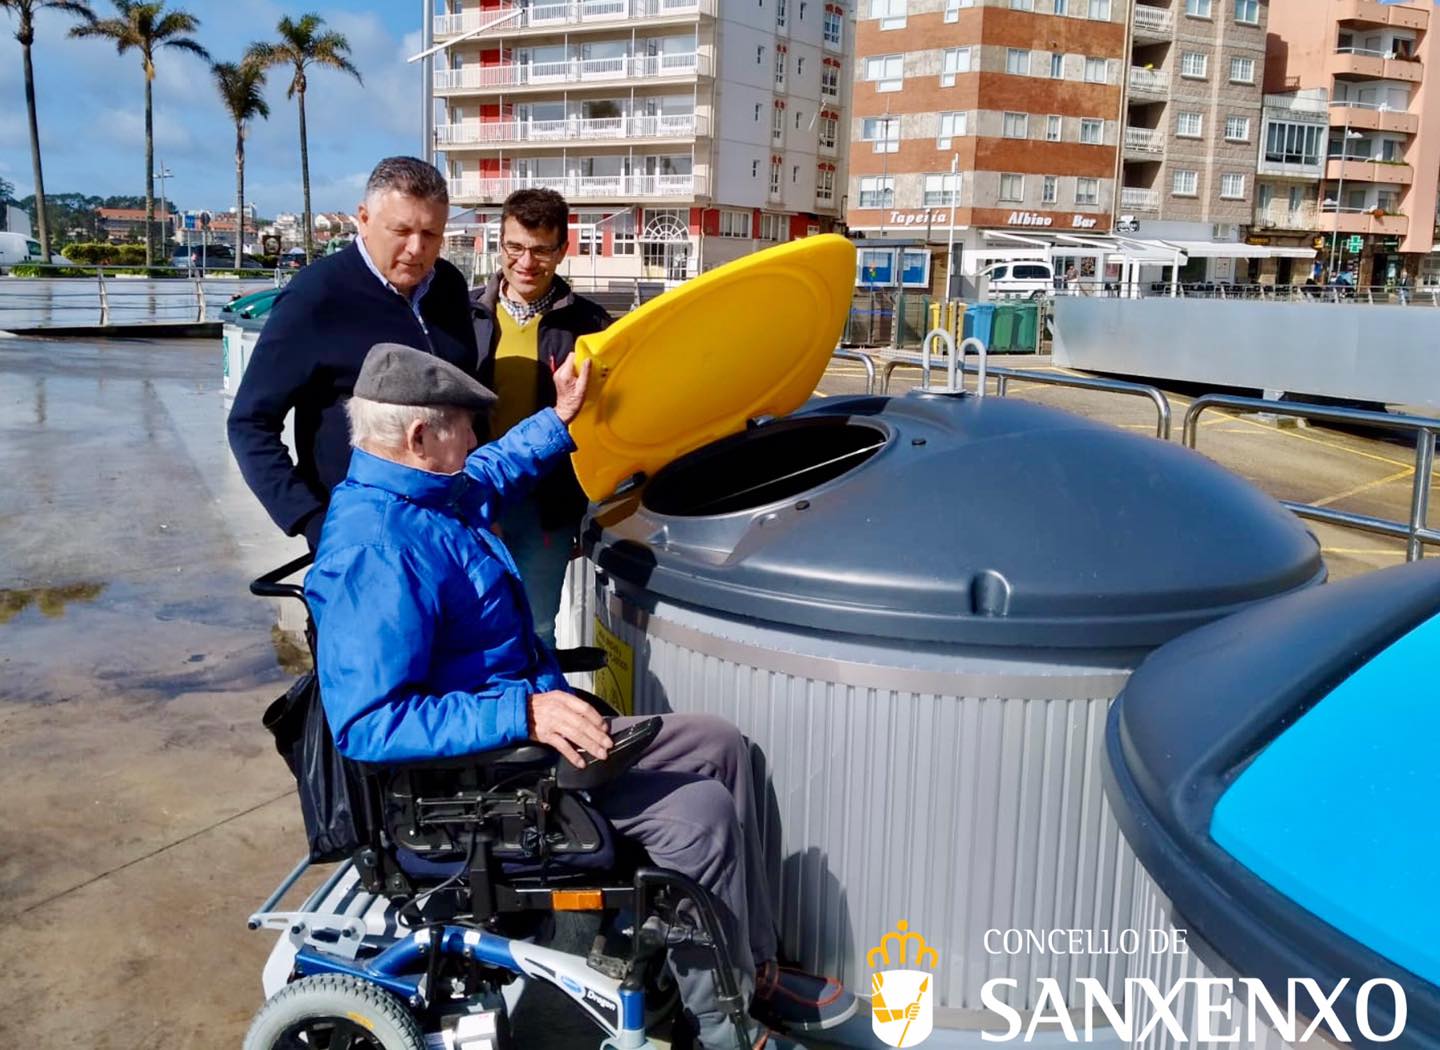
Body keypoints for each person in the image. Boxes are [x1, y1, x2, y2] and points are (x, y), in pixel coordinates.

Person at [305, 343, 857, 1050]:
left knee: (724, 746)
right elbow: (369, 725)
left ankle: (750, 964)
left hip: (526, 747)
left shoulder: (424, 492)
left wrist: (561, 417)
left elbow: (489, 470)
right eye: (465, 424)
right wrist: (522, 711)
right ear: (420, 437)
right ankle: (728, 1026)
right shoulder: (376, 548)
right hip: (473, 789)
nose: (476, 438)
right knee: (701, 816)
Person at [228, 156, 477, 549]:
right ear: (363, 219)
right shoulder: (316, 297)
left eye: (431, 233)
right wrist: (312, 521)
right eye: (401, 230)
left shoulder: (448, 287)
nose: (417, 249)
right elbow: (249, 423)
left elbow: (466, 398)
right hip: (360, 536)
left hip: (448, 525)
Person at [470, 188, 612, 648]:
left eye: (541, 250)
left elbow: (607, 424)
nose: (526, 262)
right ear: (500, 244)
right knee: (469, 626)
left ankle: (538, 718)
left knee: (535, 629)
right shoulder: (464, 314)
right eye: (514, 247)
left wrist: (585, 510)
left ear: (562, 251)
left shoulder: (591, 325)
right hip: (471, 496)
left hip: (549, 508)